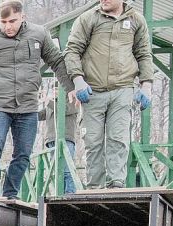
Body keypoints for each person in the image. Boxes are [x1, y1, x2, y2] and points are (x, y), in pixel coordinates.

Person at [0, 0, 72, 200]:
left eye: (12, 21)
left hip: (27, 104)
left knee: (23, 153)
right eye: (3, 22)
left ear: (23, 17)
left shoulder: (39, 34)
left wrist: (71, 88)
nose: (8, 26)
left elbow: (57, 61)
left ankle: (10, 193)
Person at [65, 0, 154, 189]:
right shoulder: (88, 19)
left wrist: (146, 84)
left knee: (118, 138)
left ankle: (116, 183)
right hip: (92, 91)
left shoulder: (136, 20)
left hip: (123, 88)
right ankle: (95, 186)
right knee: (93, 140)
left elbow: (144, 53)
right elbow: (72, 50)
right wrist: (77, 79)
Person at [38, 87, 81, 194]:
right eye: (53, 88)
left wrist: (48, 102)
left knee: (67, 169)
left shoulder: (72, 101)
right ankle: (60, 193)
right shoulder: (52, 104)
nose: (54, 91)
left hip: (66, 139)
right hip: (51, 140)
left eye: (57, 89)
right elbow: (39, 115)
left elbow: (63, 110)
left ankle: (70, 193)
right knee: (56, 171)